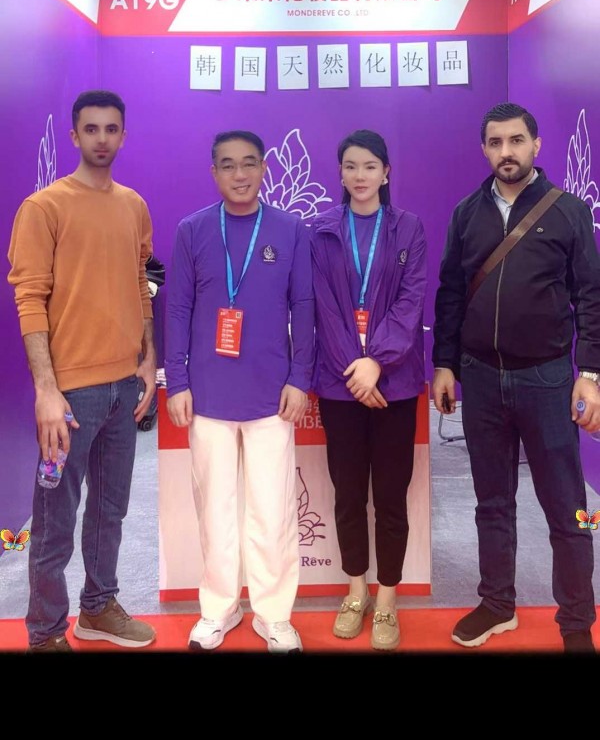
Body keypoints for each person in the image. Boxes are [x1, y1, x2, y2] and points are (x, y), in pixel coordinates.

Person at [433, 102, 600, 653]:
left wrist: (591, 372)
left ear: (536, 145)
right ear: (484, 149)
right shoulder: (466, 213)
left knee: (568, 507)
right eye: (496, 142)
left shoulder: (569, 211)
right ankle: (497, 604)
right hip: (481, 379)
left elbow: (591, 295)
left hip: (547, 380)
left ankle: (576, 622)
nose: (506, 152)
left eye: (516, 140)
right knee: (492, 502)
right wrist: (445, 363)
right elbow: (451, 293)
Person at [7, 90, 157, 652]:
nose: (101, 138)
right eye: (91, 129)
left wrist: (148, 357)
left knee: (110, 510)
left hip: (124, 386)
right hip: (69, 396)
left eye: (111, 129)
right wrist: (46, 391)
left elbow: (140, 282)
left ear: (123, 136)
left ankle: (98, 607)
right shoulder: (43, 207)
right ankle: (46, 632)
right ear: (74, 136)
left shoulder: (134, 205)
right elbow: (29, 298)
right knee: (54, 520)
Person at [165, 130, 314, 654]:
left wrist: (300, 377)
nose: (240, 174)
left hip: (272, 394)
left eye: (249, 163)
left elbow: (304, 307)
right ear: (214, 172)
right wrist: (177, 380)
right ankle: (219, 609)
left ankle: (274, 615)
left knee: (272, 510)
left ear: (265, 168)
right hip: (207, 394)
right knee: (216, 509)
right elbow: (178, 308)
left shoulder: (290, 229)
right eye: (227, 165)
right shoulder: (193, 230)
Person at [310, 129, 427, 650]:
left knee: (391, 497)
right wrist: (354, 371)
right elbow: (323, 308)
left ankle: (387, 597)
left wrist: (376, 361)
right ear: (340, 172)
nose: (360, 176)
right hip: (341, 388)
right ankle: (355, 590)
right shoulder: (321, 232)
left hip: (395, 385)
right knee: (349, 494)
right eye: (351, 166)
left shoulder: (408, 228)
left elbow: (411, 301)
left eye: (369, 166)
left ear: (386, 172)